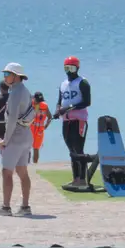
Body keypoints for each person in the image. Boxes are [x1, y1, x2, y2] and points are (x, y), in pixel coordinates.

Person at [0, 63, 35, 217]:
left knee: (7, 172)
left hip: (16, 137)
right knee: (22, 172)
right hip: (26, 136)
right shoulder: (24, 91)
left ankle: (6, 208)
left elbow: (11, 120)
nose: (5, 77)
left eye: (7, 74)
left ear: (16, 76)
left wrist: (5, 140)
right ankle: (25, 207)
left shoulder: (16, 93)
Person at [53, 55, 94, 189]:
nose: (69, 71)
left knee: (78, 149)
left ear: (77, 68)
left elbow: (87, 102)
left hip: (79, 120)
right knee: (71, 150)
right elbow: (59, 101)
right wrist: (57, 110)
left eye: (71, 68)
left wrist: (69, 108)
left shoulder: (83, 82)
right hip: (66, 121)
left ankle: (82, 179)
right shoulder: (63, 84)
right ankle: (75, 178)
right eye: (66, 68)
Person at [29, 91, 51, 164]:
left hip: (38, 130)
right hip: (33, 128)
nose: (39, 102)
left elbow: (50, 117)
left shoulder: (43, 105)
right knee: (28, 148)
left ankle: (35, 165)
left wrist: (46, 126)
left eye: (40, 101)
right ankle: (27, 164)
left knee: (36, 148)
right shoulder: (31, 104)